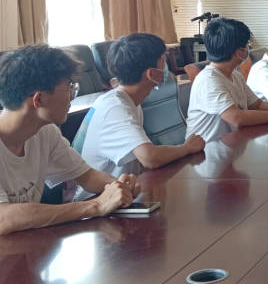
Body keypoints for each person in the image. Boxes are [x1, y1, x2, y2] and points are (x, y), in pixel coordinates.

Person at [0, 45, 137, 258]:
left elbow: (87, 177)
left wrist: (118, 188)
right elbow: (0, 220)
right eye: (69, 87)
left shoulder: (45, 132)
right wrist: (95, 206)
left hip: (3, 256)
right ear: (39, 99)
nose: (72, 96)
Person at [77, 33, 205, 191]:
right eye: (163, 60)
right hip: (96, 196)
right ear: (152, 74)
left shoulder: (129, 101)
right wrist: (187, 147)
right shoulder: (115, 107)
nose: (167, 67)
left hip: (122, 191)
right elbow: (150, 158)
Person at [186, 17, 268, 142]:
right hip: (207, 150)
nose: (248, 48)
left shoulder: (235, 75)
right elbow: (237, 117)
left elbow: (257, 105)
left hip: (232, 145)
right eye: (247, 44)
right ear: (241, 52)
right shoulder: (208, 80)